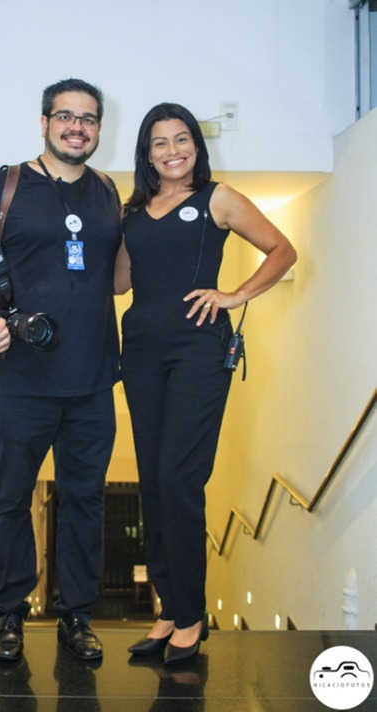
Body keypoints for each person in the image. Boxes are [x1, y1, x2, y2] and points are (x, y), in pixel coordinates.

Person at [114, 103, 297, 665]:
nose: (173, 150)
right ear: (146, 153)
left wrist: (234, 295)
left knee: (179, 477)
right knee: (152, 480)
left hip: (198, 346)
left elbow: (283, 250)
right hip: (141, 347)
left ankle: (192, 616)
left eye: (182, 139)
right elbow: (120, 282)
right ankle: (168, 610)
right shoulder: (134, 210)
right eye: (160, 142)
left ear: (196, 144)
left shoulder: (218, 198)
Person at [0, 78, 122, 662]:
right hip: (20, 380)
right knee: (11, 498)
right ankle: (10, 616)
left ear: (99, 128)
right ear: (45, 122)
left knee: (84, 500)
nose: (78, 127)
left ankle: (76, 614)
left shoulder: (104, 191)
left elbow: (116, 276)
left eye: (89, 119)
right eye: (67, 116)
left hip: (94, 379)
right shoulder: (6, 185)